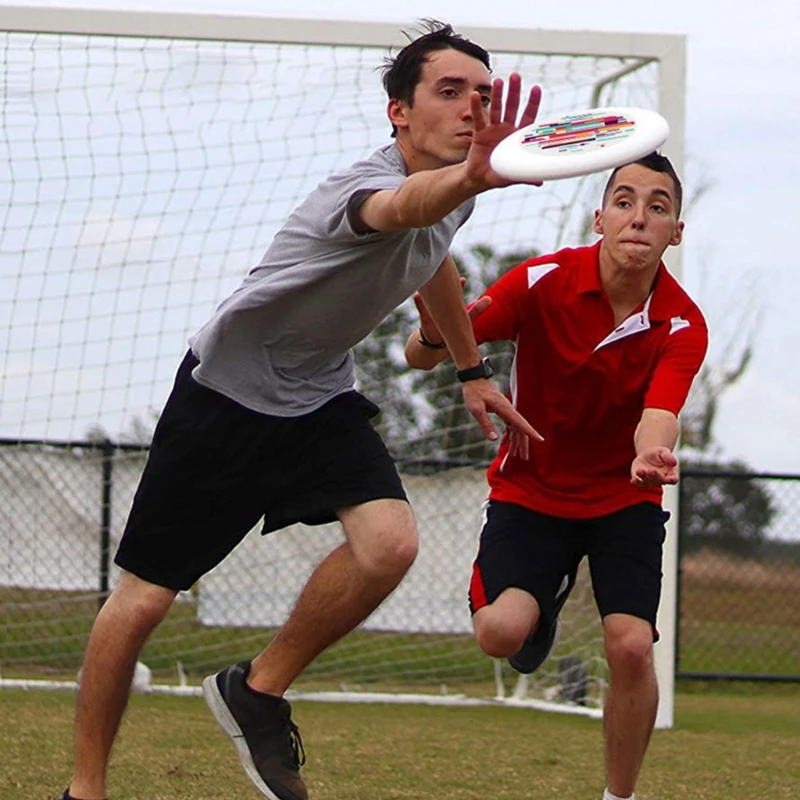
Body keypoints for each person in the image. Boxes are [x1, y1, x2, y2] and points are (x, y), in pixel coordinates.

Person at [58, 21, 547, 800]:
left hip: (317, 394)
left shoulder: (459, 187)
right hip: (226, 396)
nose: (471, 109)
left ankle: (256, 690)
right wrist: (467, 183)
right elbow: (401, 213)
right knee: (144, 600)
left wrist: (469, 369)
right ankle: (84, 789)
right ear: (398, 112)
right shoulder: (365, 188)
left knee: (389, 545)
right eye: (449, 92)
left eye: (483, 96)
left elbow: (433, 260)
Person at [406, 151, 708, 800]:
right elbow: (423, 354)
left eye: (658, 207)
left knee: (630, 646)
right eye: (624, 201)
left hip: (623, 498)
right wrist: (433, 331)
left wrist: (651, 454)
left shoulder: (683, 324)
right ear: (599, 217)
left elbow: (660, 413)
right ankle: (539, 608)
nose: (639, 217)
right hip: (531, 493)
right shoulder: (541, 280)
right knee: (500, 634)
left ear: (675, 232)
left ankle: (618, 797)